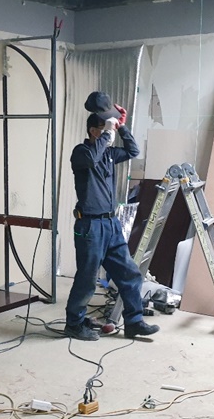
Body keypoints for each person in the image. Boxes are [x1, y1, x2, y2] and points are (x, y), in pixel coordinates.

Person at [64, 91, 159, 341]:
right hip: (90, 226)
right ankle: (74, 324)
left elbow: (132, 150)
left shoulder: (108, 154)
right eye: (103, 128)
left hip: (111, 224)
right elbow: (91, 158)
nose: (109, 133)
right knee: (87, 279)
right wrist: (107, 134)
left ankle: (134, 321)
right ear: (93, 131)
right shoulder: (81, 152)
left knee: (129, 273)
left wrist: (122, 128)